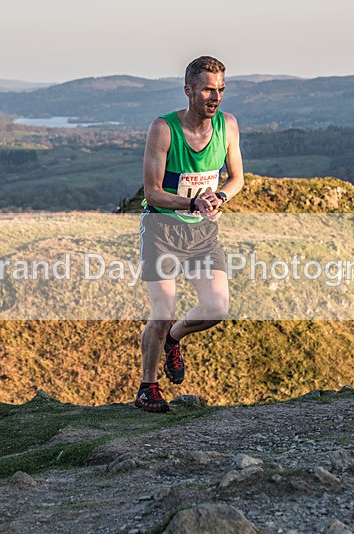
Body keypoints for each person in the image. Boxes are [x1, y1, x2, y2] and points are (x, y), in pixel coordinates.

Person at [135, 55, 244, 413]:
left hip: (202, 235)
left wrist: (220, 197)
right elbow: (151, 192)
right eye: (208, 90)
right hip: (162, 229)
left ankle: (174, 339)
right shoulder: (163, 129)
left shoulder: (228, 126)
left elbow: (237, 178)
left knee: (216, 308)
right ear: (188, 90)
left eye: (221, 90)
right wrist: (192, 203)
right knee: (162, 312)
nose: (216, 97)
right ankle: (147, 388)